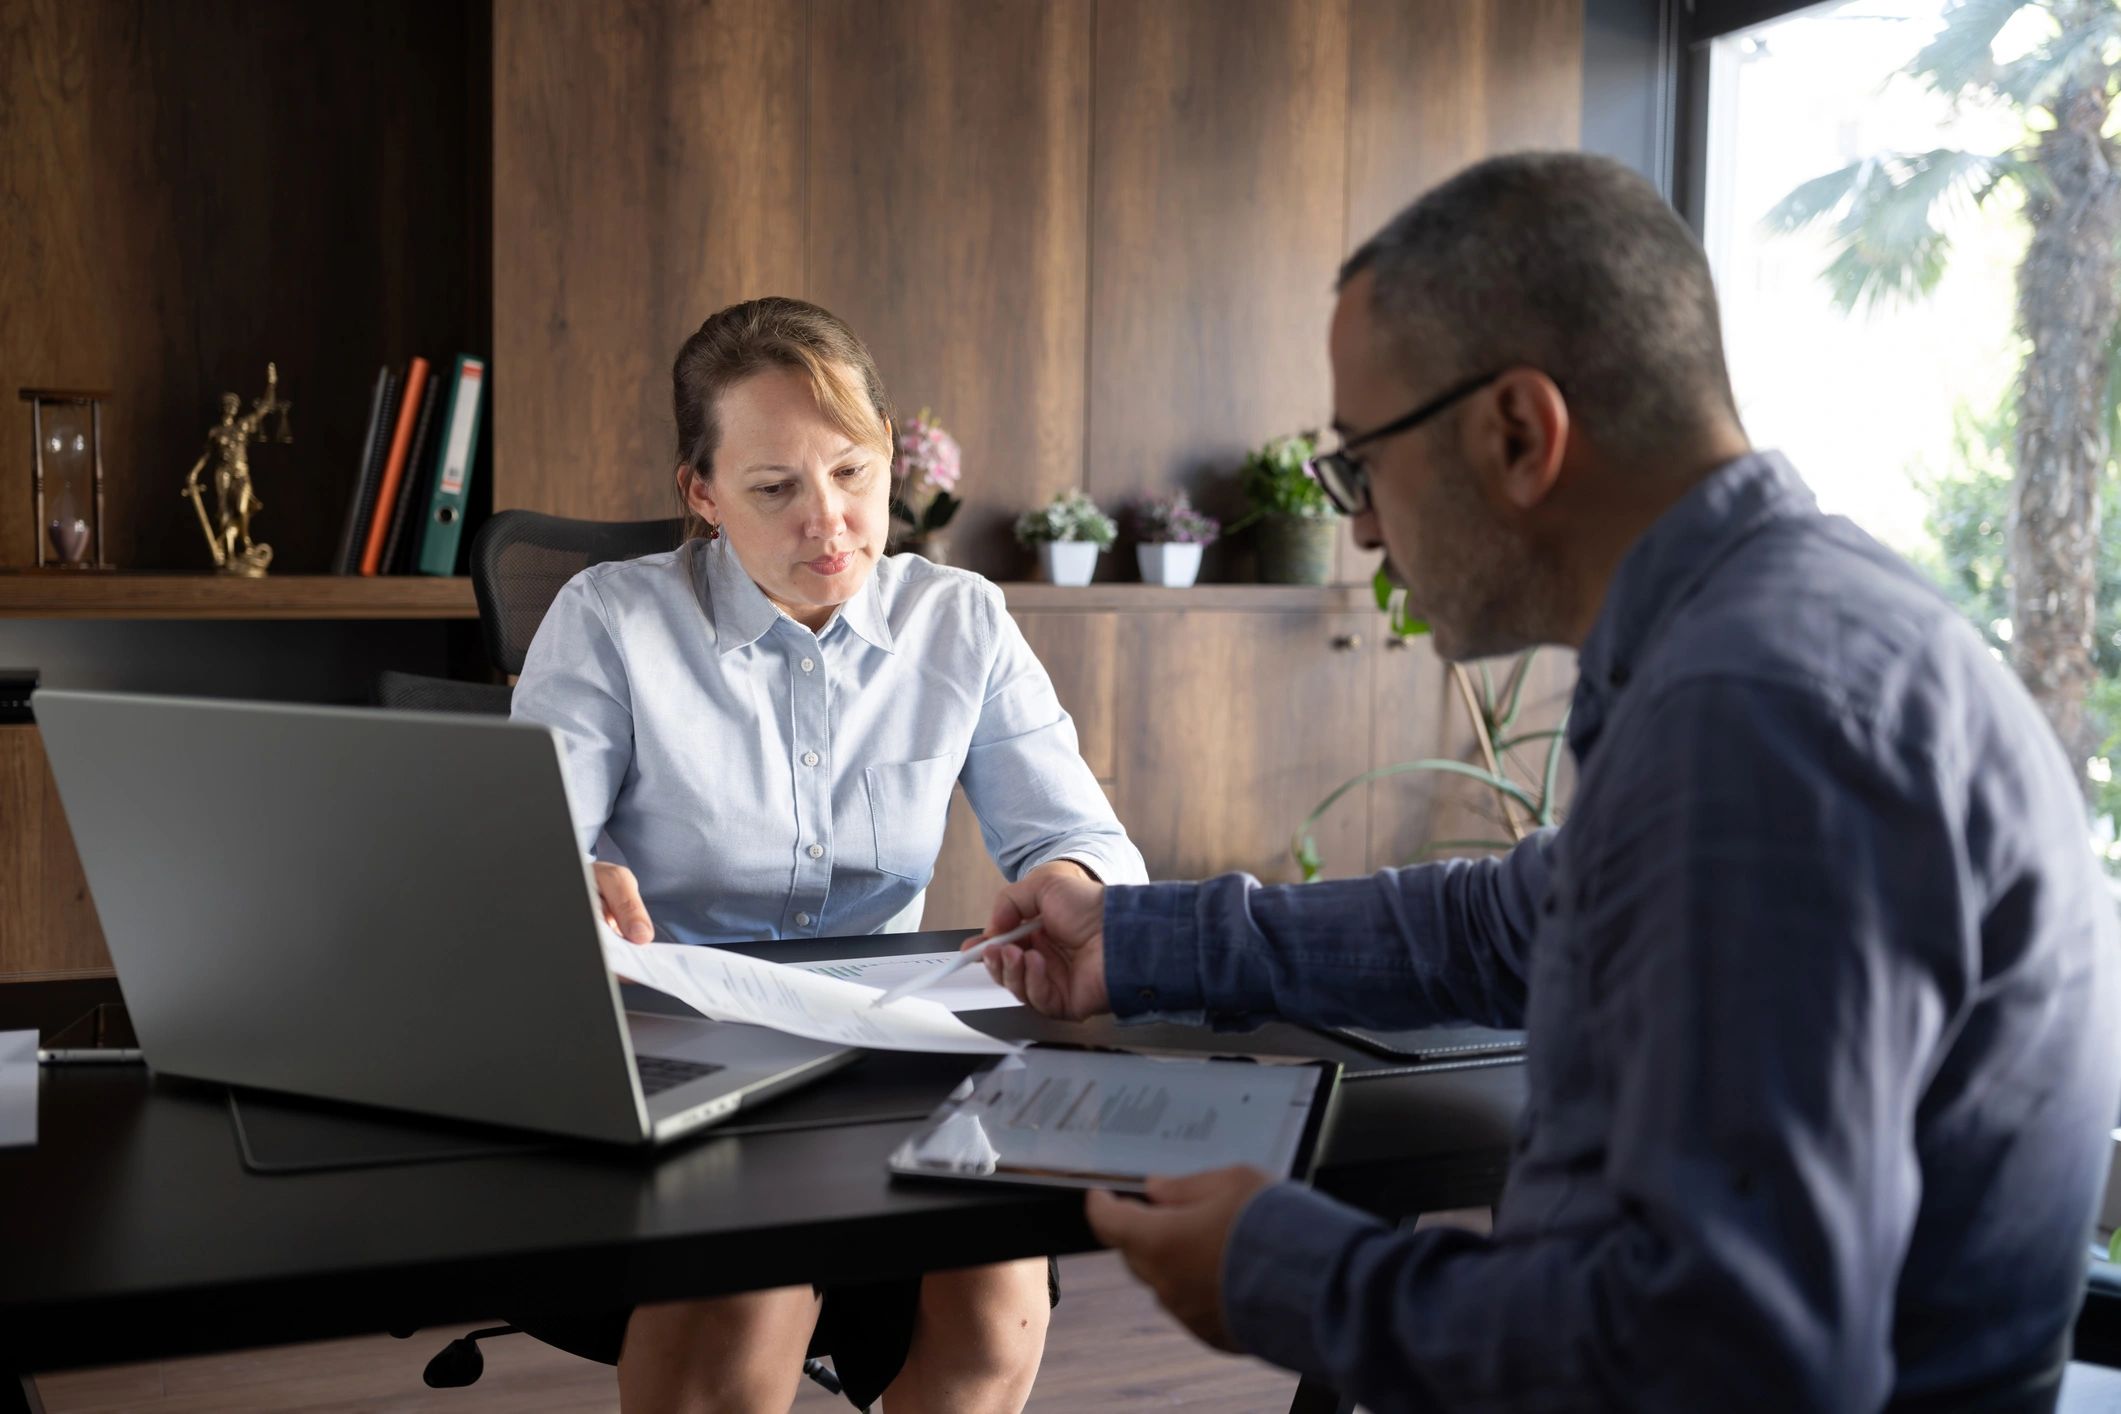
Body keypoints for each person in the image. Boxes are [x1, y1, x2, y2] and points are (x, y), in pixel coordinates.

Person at [975, 152, 2121, 1413]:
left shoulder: (1759, 718)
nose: (1358, 526)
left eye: (1362, 463)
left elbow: (1734, 1361)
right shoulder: (1764, 636)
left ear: (1517, 432)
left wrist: (1296, 1272)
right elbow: (1507, 923)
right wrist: (1133, 938)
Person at [511, 295, 1146, 1413]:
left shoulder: (962, 620)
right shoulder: (610, 618)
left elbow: (1078, 839)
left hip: (884, 1059)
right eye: (775, 489)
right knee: (746, 1294)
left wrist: (1072, 882)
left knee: (1002, 1298)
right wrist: (560, 880)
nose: (832, 524)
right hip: (688, 1058)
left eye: (853, 473)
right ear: (702, 495)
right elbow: (517, 853)